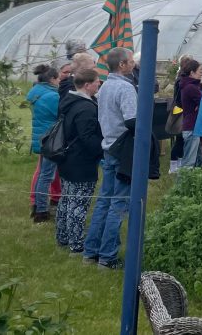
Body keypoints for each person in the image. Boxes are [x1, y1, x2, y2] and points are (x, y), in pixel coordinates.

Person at [83, 47, 137, 270]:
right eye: (131, 61)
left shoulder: (104, 87)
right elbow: (133, 120)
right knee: (118, 203)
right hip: (121, 148)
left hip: (108, 145)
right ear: (122, 65)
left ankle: (90, 252)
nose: (133, 64)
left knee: (104, 200)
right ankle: (107, 257)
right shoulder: (125, 88)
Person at [55, 68, 103, 254]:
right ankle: (76, 244)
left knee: (67, 199)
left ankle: (62, 236)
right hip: (81, 161)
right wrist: (103, 148)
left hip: (67, 157)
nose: (99, 83)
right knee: (79, 203)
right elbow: (87, 137)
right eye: (97, 81)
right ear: (87, 85)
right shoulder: (86, 108)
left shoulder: (68, 100)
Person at [27, 63, 61, 223]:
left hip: (40, 137)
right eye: (58, 78)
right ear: (53, 79)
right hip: (51, 139)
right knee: (46, 175)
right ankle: (41, 210)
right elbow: (59, 115)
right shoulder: (53, 96)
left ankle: (37, 206)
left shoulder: (36, 92)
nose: (60, 81)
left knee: (42, 173)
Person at [177, 59, 202, 169]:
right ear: (192, 73)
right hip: (192, 127)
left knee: (199, 159)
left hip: (193, 126)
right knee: (189, 162)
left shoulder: (190, 85)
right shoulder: (191, 87)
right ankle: (182, 185)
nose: (201, 73)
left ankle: (196, 184)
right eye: (199, 71)